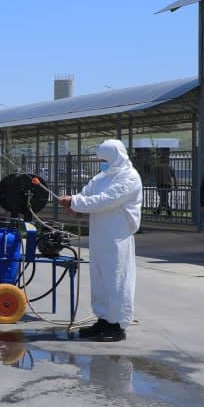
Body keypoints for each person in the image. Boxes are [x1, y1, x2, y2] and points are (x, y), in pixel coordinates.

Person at [57, 140, 143, 342]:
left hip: (116, 238)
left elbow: (107, 199)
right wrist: (75, 204)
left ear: (116, 156)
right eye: (101, 160)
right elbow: (87, 194)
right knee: (100, 278)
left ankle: (117, 325)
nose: (102, 164)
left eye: (105, 160)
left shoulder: (130, 177)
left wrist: (76, 202)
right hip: (99, 235)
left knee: (116, 279)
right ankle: (103, 320)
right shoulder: (101, 177)